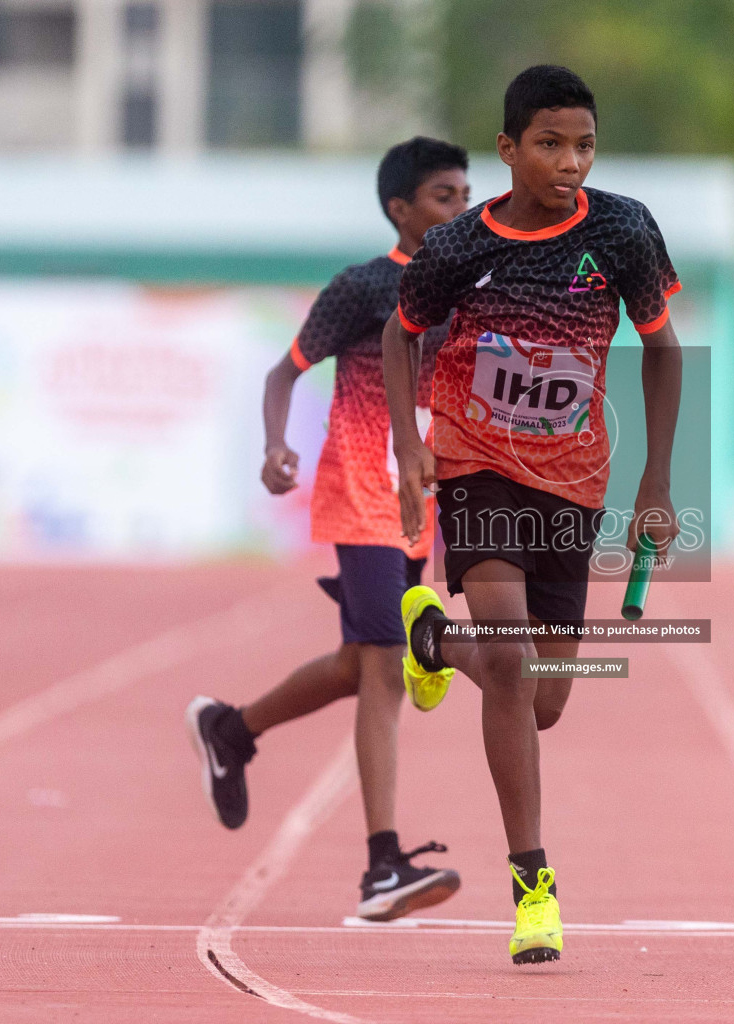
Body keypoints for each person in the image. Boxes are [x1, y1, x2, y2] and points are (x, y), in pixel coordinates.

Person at [379, 65, 684, 965]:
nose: (570, 162)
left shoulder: (624, 231)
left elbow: (661, 351)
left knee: (542, 700)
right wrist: (411, 447)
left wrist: (655, 486)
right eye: (550, 144)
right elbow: (403, 335)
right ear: (508, 149)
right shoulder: (457, 247)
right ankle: (533, 887)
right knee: (511, 656)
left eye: (584, 144)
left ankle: (433, 640)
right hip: (476, 463)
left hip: (572, 479)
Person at [185, 137, 471, 922]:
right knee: (386, 667)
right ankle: (383, 865)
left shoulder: (467, 292)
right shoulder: (364, 288)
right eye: (445, 196)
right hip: (360, 493)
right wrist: (277, 445)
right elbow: (285, 371)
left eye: (466, 193)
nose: (461, 208)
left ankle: (231, 729)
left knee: (360, 664)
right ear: (401, 209)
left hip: (421, 509)